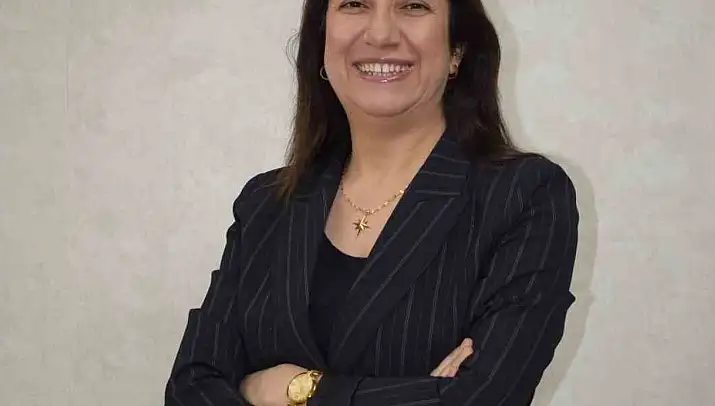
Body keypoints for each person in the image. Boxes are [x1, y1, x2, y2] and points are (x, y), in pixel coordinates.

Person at [165, 0, 579, 405]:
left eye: (413, 6)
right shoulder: (265, 204)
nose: (381, 34)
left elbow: (486, 396)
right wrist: (420, 392)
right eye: (354, 4)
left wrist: (298, 390)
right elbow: (190, 387)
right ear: (322, 42)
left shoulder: (524, 195)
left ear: (457, 49)